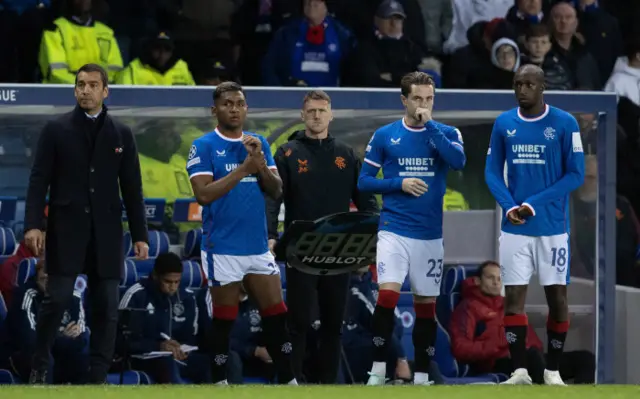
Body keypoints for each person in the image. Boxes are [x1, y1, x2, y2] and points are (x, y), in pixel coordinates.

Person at [24, 63, 149, 384]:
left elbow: (133, 188)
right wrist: (33, 224)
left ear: (105, 91)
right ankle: (39, 364)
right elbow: (39, 180)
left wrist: (140, 234)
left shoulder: (122, 133)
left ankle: (97, 378)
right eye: (80, 84)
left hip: (107, 234)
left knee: (106, 307)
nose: (85, 90)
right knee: (57, 299)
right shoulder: (56, 129)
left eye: (93, 85)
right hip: (66, 230)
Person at [358, 71, 466, 385]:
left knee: (425, 306)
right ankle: (378, 371)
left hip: (429, 234)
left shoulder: (446, 132)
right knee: (387, 296)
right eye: (417, 98)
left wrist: (430, 125)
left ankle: (421, 376)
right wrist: (399, 183)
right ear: (404, 99)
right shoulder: (385, 135)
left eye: (429, 98)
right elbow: (364, 182)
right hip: (393, 228)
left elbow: (458, 162)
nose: (423, 104)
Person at [186, 81, 297, 385]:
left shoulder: (258, 142)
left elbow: (276, 191)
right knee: (225, 319)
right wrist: (243, 170)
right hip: (221, 245)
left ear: (246, 108)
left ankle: (290, 383)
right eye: (227, 104)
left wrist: (260, 164)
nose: (234, 109)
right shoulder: (204, 145)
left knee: (276, 315)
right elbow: (204, 195)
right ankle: (220, 383)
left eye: (239, 103)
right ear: (215, 110)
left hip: (258, 246)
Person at [265, 90, 378, 383]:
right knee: (299, 321)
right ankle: (293, 381)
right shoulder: (287, 152)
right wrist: (270, 235)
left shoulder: (346, 153)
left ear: (331, 115)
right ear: (303, 115)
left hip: (338, 249)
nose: (316, 116)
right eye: (311, 111)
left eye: (322, 111)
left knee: (333, 322)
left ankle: (328, 385)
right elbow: (273, 199)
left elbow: (366, 200)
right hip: (301, 247)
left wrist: (373, 239)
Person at [484, 64, 585, 385]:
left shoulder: (565, 123)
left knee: (557, 298)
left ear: (542, 88)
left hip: (553, 229)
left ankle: (552, 371)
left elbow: (576, 174)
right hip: (515, 228)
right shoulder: (504, 123)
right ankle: (519, 371)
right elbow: (490, 172)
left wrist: (532, 204)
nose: (522, 89)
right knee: (513, 298)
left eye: (529, 84)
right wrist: (510, 206)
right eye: (517, 84)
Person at [449, 261, 595, 384]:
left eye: (499, 278)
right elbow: (461, 348)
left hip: (528, 357)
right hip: (498, 362)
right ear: (478, 281)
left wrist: (535, 348)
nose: (496, 282)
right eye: (490, 278)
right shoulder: (468, 307)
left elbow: (530, 339)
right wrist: (498, 343)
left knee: (585, 359)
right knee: (532, 358)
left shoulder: (508, 304)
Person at [118, 253, 210, 384]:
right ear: (155, 276)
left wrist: (182, 348)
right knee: (167, 363)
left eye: (176, 282)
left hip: (178, 357)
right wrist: (159, 346)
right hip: (144, 358)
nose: (172, 287)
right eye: (167, 281)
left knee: (215, 362)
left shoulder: (187, 298)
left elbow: (191, 337)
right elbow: (121, 341)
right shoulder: (136, 295)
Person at [5, 261, 89, 384]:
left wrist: (52, 337)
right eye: (44, 275)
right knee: (43, 358)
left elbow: (80, 338)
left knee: (83, 355)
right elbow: (30, 339)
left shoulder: (74, 296)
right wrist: (61, 335)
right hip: (22, 356)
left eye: (54, 275)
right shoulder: (26, 294)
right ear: (37, 277)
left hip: (58, 352)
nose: (49, 279)